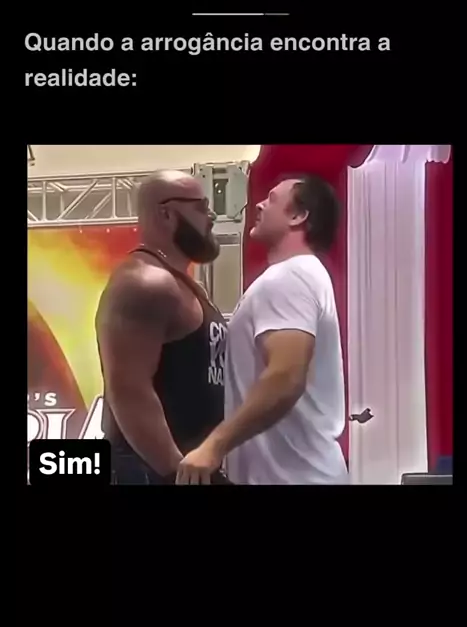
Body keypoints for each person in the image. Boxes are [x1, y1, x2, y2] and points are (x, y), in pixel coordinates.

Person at [176, 173, 349, 485]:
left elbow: (285, 376)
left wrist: (213, 446)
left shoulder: (290, 277)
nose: (258, 204)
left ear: (298, 216)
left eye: (272, 199)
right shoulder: (300, 275)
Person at [96, 170, 229, 484]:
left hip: (184, 467)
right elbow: (129, 391)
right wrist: (175, 473)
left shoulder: (181, 284)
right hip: (151, 471)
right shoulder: (145, 282)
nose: (211, 217)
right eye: (201, 207)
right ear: (166, 214)